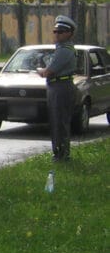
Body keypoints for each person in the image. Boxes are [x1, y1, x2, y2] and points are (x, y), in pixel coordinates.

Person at [38, 15, 77, 163]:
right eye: (55, 31)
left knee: (60, 122)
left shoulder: (65, 50)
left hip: (61, 86)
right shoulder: (59, 49)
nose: (57, 34)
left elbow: (48, 72)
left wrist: (40, 70)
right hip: (56, 86)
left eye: (61, 32)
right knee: (56, 122)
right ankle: (59, 153)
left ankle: (61, 155)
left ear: (69, 34)